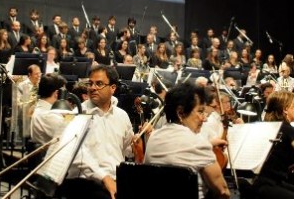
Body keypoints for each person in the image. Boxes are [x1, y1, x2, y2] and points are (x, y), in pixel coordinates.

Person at [144, 82, 230, 199]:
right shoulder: (199, 143)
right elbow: (223, 191)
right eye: (200, 111)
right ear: (180, 112)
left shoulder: (153, 137)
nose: (204, 119)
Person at [62, 65, 133, 199]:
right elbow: (76, 155)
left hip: (115, 180)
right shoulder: (77, 113)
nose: (93, 88)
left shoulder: (122, 116)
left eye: (99, 84)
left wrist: (140, 142)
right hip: (85, 182)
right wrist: (104, 177)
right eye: (91, 83)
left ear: (113, 88)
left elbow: (127, 150)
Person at [253, 91, 294, 199]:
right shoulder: (287, 130)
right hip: (269, 184)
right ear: (285, 109)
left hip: (260, 181)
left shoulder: (267, 126)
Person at [30, 73, 68, 145]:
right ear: (57, 93)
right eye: (65, 92)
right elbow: (71, 132)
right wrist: (70, 116)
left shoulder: (44, 110)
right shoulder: (48, 115)